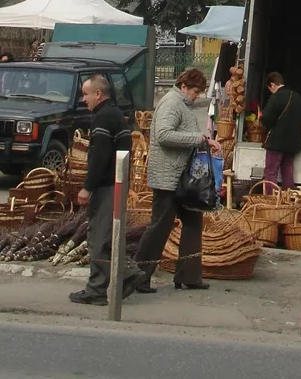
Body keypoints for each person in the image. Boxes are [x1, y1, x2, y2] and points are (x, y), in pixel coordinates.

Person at [135, 67, 220, 292]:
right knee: (160, 226)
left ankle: (189, 276)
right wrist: (197, 138)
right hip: (167, 179)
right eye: (194, 91)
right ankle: (138, 276)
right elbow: (163, 135)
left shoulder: (181, 103)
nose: (197, 96)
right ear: (183, 87)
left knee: (193, 222)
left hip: (181, 179)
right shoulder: (172, 103)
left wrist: (203, 142)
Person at [69, 74, 141, 306]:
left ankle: (100, 288)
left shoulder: (102, 118)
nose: (83, 99)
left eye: (86, 94)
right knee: (109, 236)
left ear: (98, 94)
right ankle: (125, 273)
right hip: (117, 182)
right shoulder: (116, 114)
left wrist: (87, 188)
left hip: (107, 185)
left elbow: (100, 157)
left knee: (99, 237)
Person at [261, 72, 301, 191]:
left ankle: (270, 200)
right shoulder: (297, 97)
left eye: (270, 89)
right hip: (292, 142)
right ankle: (287, 200)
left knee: (271, 172)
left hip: (277, 142)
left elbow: (267, 119)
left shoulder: (275, 97)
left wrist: (261, 119)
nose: (271, 91)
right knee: (288, 170)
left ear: (272, 85)